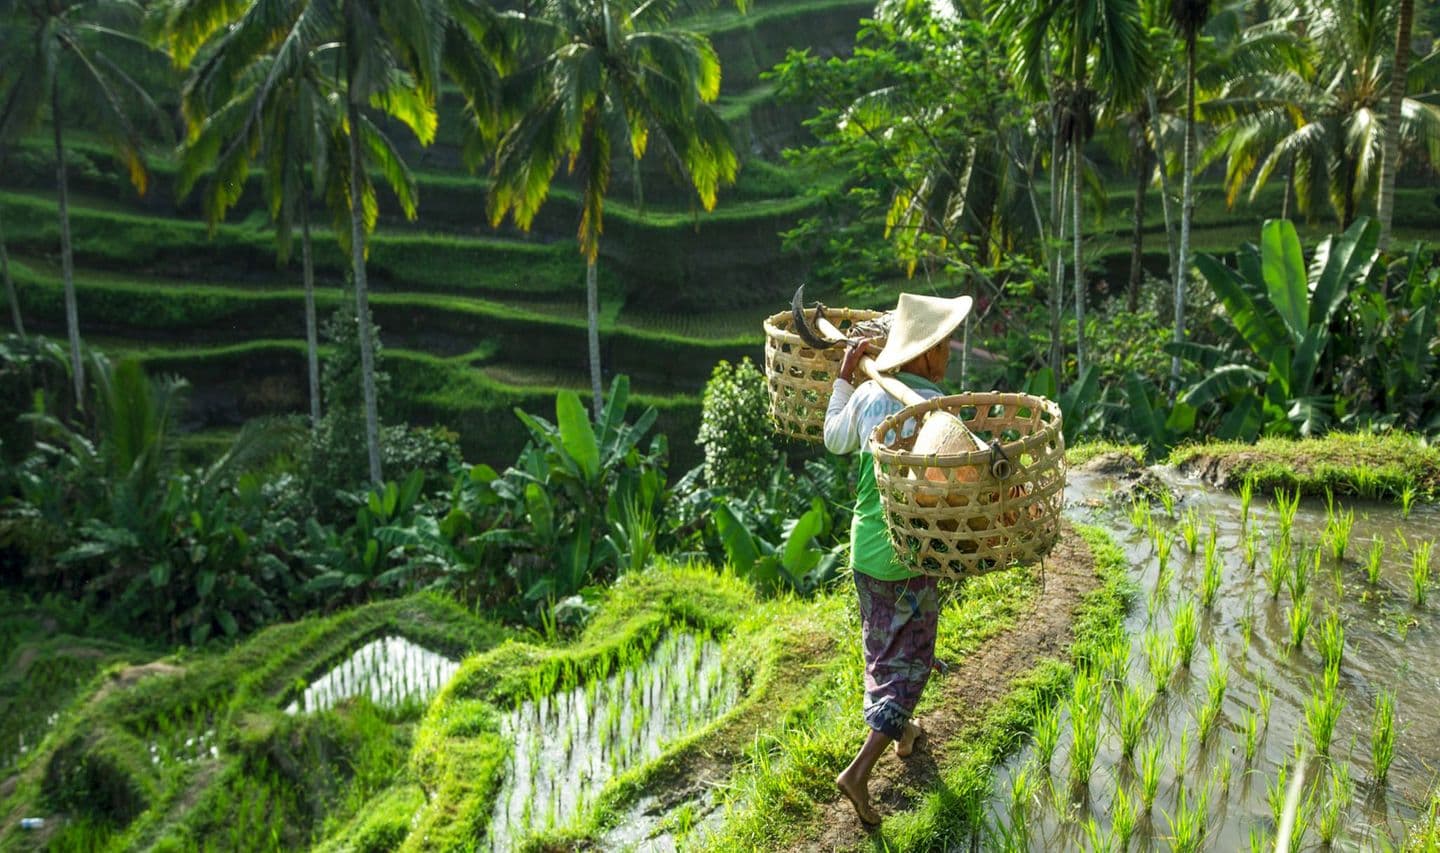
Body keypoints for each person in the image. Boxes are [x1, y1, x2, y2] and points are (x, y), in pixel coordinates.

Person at [822, 291, 973, 826]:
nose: (949, 351)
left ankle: (904, 733)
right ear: (926, 354)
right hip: (910, 557)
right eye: (945, 343)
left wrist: (845, 376)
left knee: (881, 651)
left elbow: (832, 437)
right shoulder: (940, 412)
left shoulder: (867, 397)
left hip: (864, 549)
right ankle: (859, 773)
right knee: (910, 666)